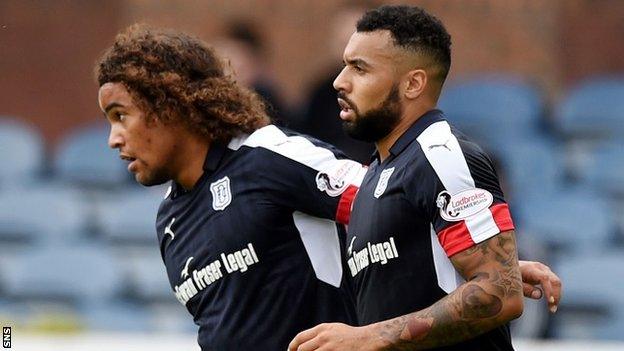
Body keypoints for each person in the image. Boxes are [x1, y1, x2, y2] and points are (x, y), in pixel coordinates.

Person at [96, 24, 560, 351]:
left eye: (122, 116)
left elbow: (389, 202)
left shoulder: (267, 156)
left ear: (171, 105)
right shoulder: (169, 222)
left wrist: (485, 258)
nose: (114, 138)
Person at [289, 5, 560, 351]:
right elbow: (429, 270)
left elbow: (500, 295)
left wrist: (366, 337)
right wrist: (492, 265)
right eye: (345, 65)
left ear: (413, 83)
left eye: (359, 68)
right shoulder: (376, 173)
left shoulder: (443, 156)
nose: (340, 81)